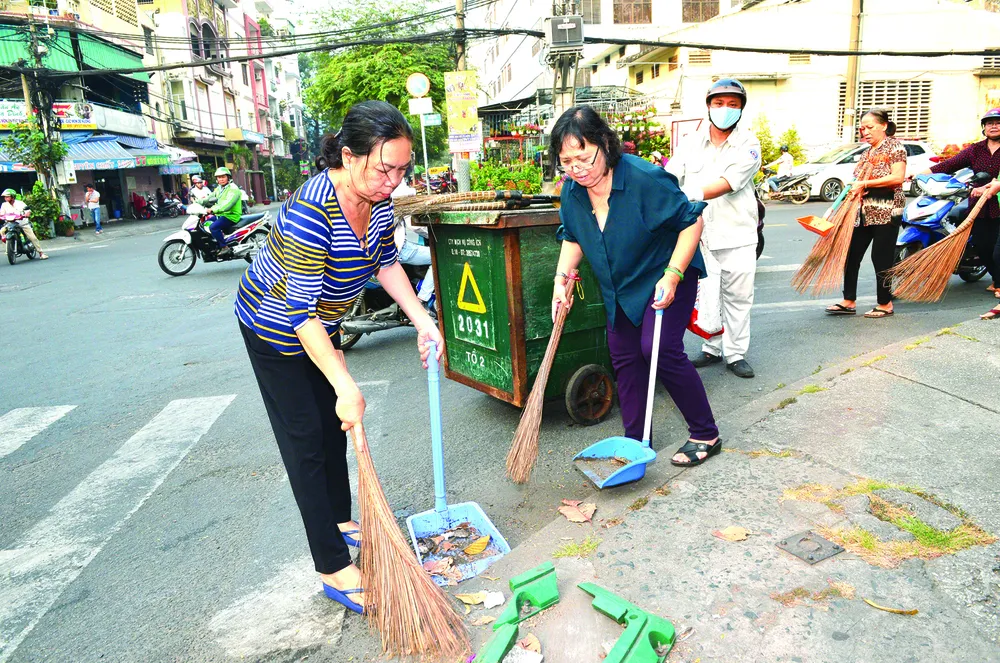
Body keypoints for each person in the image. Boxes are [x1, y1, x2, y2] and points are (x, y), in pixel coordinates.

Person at [235, 100, 444, 614]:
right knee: (307, 442)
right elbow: (299, 314)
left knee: (333, 431)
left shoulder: (376, 203)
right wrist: (345, 382)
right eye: (382, 169)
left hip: (321, 326)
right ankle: (331, 564)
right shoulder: (313, 209)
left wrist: (423, 321)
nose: (392, 182)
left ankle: (339, 518)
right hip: (276, 328)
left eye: (401, 170)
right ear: (348, 157)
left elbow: (387, 264)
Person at [550, 105, 721, 468]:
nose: (576, 168)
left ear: (605, 144)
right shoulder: (574, 192)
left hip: (664, 274)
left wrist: (673, 274)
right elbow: (574, 237)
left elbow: (691, 222)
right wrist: (560, 281)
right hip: (620, 285)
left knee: (658, 348)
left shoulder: (645, 178)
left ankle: (706, 433)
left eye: (583, 157)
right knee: (625, 358)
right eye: (566, 161)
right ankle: (636, 441)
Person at [666, 78, 762, 378]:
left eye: (733, 105)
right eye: (719, 103)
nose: (725, 110)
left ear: (741, 110)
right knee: (708, 294)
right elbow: (671, 175)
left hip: (738, 235)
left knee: (738, 296)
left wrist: (689, 193)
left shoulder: (748, 144)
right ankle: (712, 346)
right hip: (700, 235)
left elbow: (729, 183)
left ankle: (736, 354)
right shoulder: (690, 142)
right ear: (708, 106)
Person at [825, 108, 907, 319]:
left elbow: (897, 178)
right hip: (863, 211)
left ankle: (885, 303)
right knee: (851, 255)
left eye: (870, 127)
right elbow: (857, 179)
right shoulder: (866, 152)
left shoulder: (895, 147)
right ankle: (849, 301)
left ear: (884, 126)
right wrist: (853, 190)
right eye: (863, 128)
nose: (865, 132)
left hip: (887, 209)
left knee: (881, 258)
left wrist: (865, 183)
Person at [919, 108, 1000, 300]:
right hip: (979, 206)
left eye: (997, 122)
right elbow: (950, 164)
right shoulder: (976, 149)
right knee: (982, 245)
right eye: (989, 123)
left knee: (998, 251)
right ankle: (997, 279)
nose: (994, 126)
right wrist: (920, 174)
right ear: (984, 128)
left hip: (998, 203)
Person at [391, 179, 436, 316]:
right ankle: (422, 298)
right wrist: (433, 235)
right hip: (398, 249)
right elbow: (415, 226)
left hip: (382, 249)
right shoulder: (400, 202)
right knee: (437, 258)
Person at [203, 167, 243, 256]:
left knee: (213, 227)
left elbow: (227, 205)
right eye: (219, 177)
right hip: (221, 214)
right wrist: (197, 202)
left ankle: (224, 247)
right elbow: (209, 197)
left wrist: (213, 210)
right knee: (205, 224)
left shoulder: (233, 189)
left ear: (228, 177)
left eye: (223, 177)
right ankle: (216, 244)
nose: (221, 179)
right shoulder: (219, 188)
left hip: (231, 215)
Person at [0, 188, 47, 259]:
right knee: (2, 231)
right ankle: (9, 246)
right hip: (10, 224)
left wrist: (26, 214)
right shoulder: (4, 205)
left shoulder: (20, 203)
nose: (5, 198)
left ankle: (41, 253)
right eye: (5, 197)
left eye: (7, 197)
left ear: (12, 197)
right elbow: (2, 213)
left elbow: (28, 211)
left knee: (33, 238)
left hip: (22, 224)